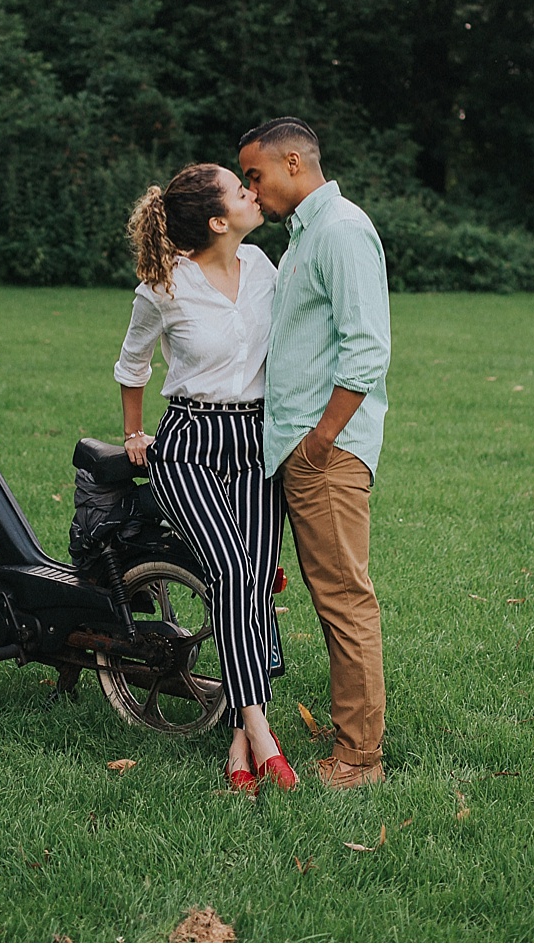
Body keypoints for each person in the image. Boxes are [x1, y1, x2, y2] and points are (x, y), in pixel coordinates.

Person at [115, 162, 294, 793]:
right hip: (189, 445)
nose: (253, 193)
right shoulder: (164, 286)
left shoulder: (267, 272)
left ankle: (240, 747)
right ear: (219, 221)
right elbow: (131, 364)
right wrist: (136, 434)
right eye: (239, 190)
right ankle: (259, 725)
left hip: (255, 444)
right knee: (233, 571)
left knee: (255, 582)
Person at [237, 117, 392, 791]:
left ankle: (359, 760)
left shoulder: (341, 231)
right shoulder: (305, 236)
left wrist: (320, 440)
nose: (251, 188)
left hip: (324, 452)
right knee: (334, 597)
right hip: (301, 448)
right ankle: (350, 731)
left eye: (255, 174)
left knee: (344, 599)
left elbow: (367, 348)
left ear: (293, 163)